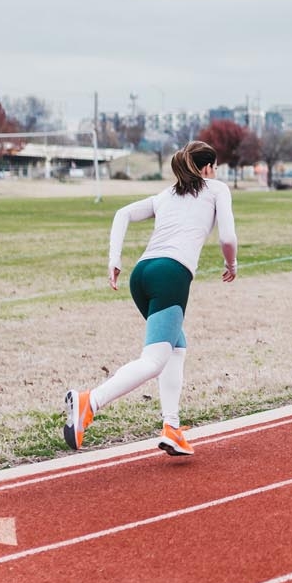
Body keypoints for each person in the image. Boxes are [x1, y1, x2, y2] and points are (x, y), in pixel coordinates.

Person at [63, 140, 238, 456]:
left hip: (141, 274)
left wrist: (114, 259)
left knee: (176, 348)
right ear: (209, 167)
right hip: (171, 276)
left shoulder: (165, 196)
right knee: (154, 360)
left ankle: (172, 428)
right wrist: (231, 264)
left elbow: (122, 214)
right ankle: (90, 401)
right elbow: (227, 237)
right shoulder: (217, 189)